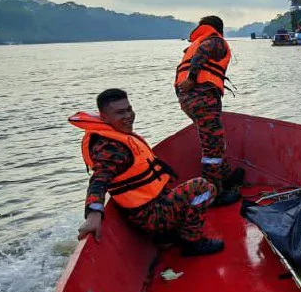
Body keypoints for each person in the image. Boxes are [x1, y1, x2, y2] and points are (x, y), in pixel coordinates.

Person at [71, 89, 224, 256]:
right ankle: (192, 241)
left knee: (207, 189)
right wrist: (94, 213)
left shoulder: (116, 134)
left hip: (154, 205)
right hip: (149, 216)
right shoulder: (110, 148)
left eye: (129, 109)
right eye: (120, 112)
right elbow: (98, 180)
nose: (128, 116)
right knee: (203, 188)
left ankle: (167, 235)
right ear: (104, 117)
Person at [174, 14, 244, 205]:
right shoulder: (214, 41)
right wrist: (193, 77)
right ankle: (213, 193)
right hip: (201, 97)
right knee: (212, 144)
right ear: (219, 29)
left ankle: (226, 176)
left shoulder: (196, 43)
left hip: (188, 99)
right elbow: (201, 56)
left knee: (213, 138)